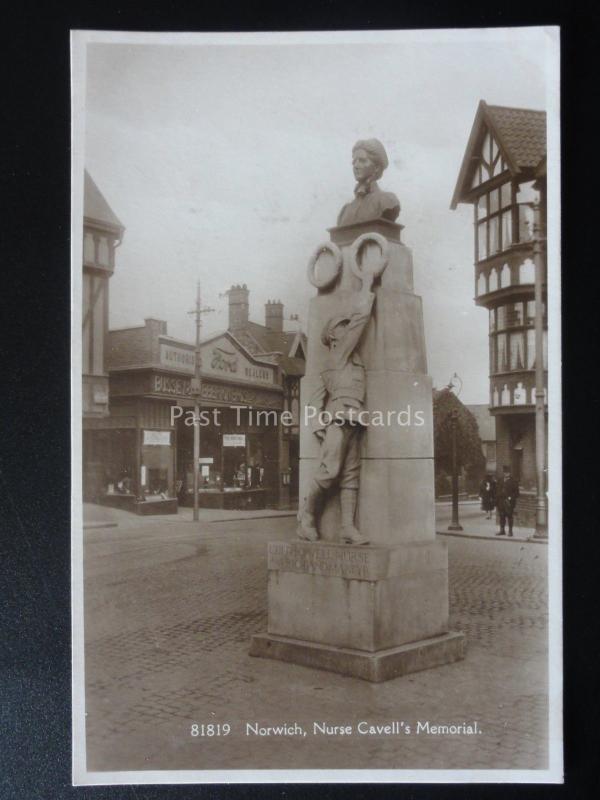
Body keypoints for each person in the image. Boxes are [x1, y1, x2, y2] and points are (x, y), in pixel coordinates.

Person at [297, 269, 377, 545]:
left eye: (347, 325)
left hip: (354, 419)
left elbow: (315, 397)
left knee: (350, 475)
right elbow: (362, 318)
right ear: (333, 335)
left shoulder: (348, 359)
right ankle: (306, 518)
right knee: (329, 471)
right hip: (340, 420)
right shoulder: (339, 353)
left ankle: (347, 528)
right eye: (343, 326)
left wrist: (317, 420)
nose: (348, 328)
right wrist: (367, 283)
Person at [337, 138, 400, 227]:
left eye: (362, 161)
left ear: (377, 167)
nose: (356, 166)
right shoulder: (345, 210)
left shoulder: (387, 201)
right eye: (354, 161)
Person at [496, 466, 520, 537]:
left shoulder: (514, 481)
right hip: (501, 501)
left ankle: (510, 531)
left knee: (509, 516)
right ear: (503, 473)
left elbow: (517, 493)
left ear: (510, 473)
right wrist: (498, 497)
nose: (506, 474)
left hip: (509, 502)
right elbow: (497, 490)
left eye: (508, 472)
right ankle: (502, 530)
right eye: (505, 472)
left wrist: (510, 498)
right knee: (501, 516)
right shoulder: (500, 480)